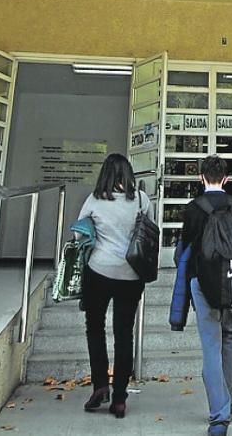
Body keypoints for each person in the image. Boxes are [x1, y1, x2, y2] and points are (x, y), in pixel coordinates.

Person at [76, 153, 151, 418]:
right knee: (124, 334)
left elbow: (79, 233)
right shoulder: (142, 200)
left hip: (99, 271)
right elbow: (146, 231)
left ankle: (99, 385)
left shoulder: (95, 199)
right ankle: (119, 397)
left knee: (94, 327)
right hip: (131, 275)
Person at [178, 155, 232, 436]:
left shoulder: (193, 208)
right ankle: (226, 404)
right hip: (231, 283)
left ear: (201, 177)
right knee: (228, 337)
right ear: (226, 178)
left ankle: (219, 415)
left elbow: (184, 249)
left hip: (202, 283)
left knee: (211, 344)